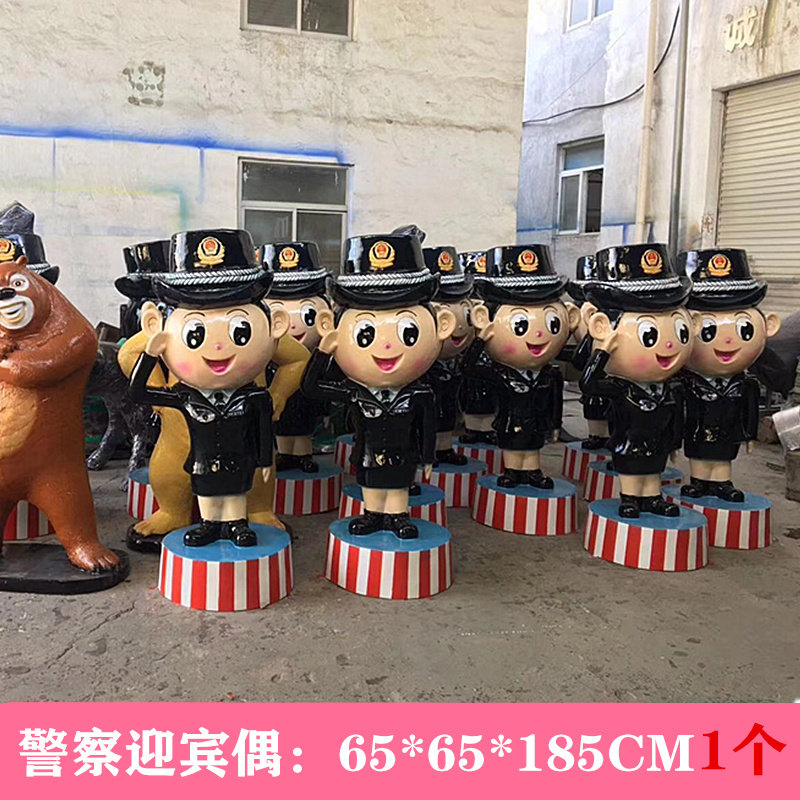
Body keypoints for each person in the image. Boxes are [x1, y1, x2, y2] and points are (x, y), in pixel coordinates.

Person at [130, 228, 289, 547]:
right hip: (181, 428)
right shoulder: (169, 333)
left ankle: (251, 515)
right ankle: (181, 515)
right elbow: (128, 356)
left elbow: (296, 359)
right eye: (198, 333)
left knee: (248, 482)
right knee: (173, 470)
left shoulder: (255, 389)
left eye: (238, 331)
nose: (217, 346)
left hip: (241, 442)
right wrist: (157, 384)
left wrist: (278, 395)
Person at [302, 233, 455, 539]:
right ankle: (372, 514)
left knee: (398, 488)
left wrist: (428, 458)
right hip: (368, 457)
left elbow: (427, 428)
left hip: (404, 457)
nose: (386, 345)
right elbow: (311, 388)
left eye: (407, 332)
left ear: (440, 327)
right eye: (366, 334)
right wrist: (323, 352)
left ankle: (397, 516)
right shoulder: (356, 393)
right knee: (371, 486)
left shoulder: (418, 394)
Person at [580, 244, 695, 519]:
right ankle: (630, 498)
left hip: (658, 446)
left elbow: (676, 419)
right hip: (628, 446)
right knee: (632, 474)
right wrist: (602, 351)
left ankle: (652, 499)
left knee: (653, 473)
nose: (668, 344)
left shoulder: (671, 388)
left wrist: (674, 444)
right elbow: (589, 384)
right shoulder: (622, 388)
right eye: (650, 335)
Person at [464, 244, 578, 488]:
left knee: (533, 448)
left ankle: (532, 472)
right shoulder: (501, 373)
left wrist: (555, 426)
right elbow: (468, 369)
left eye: (552, 323)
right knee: (513, 448)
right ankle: (513, 471)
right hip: (509, 424)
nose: (538, 333)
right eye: (520, 325)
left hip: (536, 425)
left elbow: (555, 403)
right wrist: (480, 339)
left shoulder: (550, 375)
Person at [678, 249, 781, 501]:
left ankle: (722, 483)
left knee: (723, 458)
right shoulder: (686, 384)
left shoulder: (745, 384)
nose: (727, 340)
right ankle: (699, 481)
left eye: (743, 329)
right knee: (700, 456)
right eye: (708, 330)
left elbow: (750, 411)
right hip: (697, 433)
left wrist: (749, 435)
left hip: (729, 434)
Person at [261, 241, 331, 473]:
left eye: (307, 314)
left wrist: (324, 407)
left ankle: (303, 455)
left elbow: (323, 384)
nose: (291, 325)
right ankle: (284, 454)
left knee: (303, 427)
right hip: (278, 393)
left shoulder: (317, 359)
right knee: (281, 425)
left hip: (305, 397)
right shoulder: (266, 364)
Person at [423, 245, 474, 465]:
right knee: (429, 419)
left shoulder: (456, 361)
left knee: (447, 417)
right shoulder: (421, 365)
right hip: (428, 399)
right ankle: (427, 450)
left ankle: (444, 449)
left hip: (450, 401)